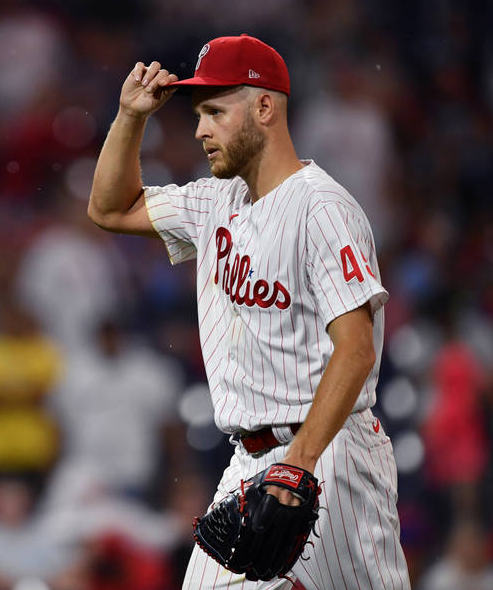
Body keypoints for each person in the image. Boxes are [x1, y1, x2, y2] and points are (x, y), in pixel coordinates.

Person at [88, 34, 410, 589]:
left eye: (215, 110)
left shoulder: (323, 208)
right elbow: (110, 208)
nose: (199, 129)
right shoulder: (217, 201)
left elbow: (356, 350)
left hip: (330, 456)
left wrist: (300, 461)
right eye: (198, 114)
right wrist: (129, 117)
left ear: (264, 107)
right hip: (248, 462)